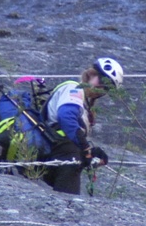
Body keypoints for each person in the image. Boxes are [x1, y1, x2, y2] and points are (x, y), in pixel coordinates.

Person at [39, 57, 124, 194]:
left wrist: (91, 151)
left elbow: (75, 132)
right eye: (102, 81)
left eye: (107, 88)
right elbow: (66, 118)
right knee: (68, 204)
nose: (102, 88)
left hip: (61, 153)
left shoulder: (84, 105)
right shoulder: (74, 88)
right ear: (91, 74)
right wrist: (85, 148)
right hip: (62, 152)